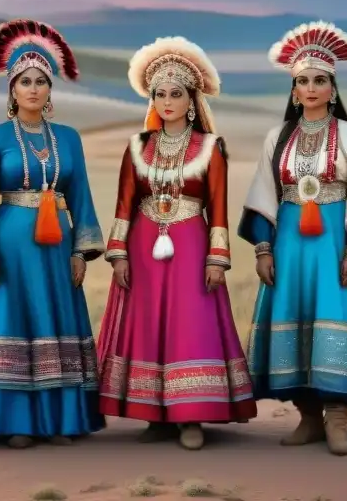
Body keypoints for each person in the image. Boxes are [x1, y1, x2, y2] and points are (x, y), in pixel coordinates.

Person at [238, 21, 347, 456]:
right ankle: (308, 419)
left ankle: (338, 421)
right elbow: (263, 193)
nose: (310, 88)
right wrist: (262, 246)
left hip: (332, 240)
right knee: (294, 319)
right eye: (303, 81)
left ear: (333, 87)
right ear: (293, 90)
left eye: (320, 80)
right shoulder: (278, 137)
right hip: (290, 242)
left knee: (335, 317)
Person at [0, 19, 106, 448]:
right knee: (14, 323)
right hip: (10, 248)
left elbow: (82, 197)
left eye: (41, 81)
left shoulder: (69, 139)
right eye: (24, 82)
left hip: (56, 249)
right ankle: (16, 421)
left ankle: (58, 420)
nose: (33, 89)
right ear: (12, 90)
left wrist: (81, 251)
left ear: (51, 89)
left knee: (52, 322)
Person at [96, 36, 257, 450]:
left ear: (192, 99)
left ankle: (192, 417)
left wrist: (217, 258)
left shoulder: (210, 147)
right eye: (160, 94)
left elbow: (217, 207)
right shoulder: (138, 146)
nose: (168, 101)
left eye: (177, 93)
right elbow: (124, 205)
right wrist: (117, 255)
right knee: (148, 325)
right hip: (142, 245)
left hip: (190, 243)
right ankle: (155, 414)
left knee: (190, 323)